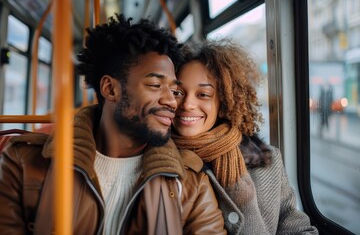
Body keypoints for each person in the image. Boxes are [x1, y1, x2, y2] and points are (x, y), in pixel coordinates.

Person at [0, 14, 226, 234]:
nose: (171, 101)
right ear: (110, 89)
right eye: (155, 85)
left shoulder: (191, 185)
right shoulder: (23, 162)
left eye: (174, 90)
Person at [171, 39, 319, 234]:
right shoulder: (158, 162)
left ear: (223, 102)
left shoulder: (268, 161)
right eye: (178, 92)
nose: (187, 104)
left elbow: (299, 229)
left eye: (203, 94)